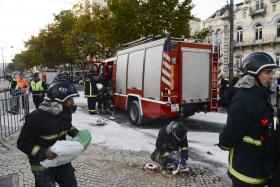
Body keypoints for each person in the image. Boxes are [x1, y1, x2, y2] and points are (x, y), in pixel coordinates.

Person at [219, 52, 278, 187]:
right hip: (245, 172)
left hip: (260, 168)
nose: (271, 76)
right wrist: (223, 143)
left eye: (271, 72)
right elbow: (231, 133)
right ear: (253, 74)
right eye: (267, 72)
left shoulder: (262, 95)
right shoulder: (244, 99)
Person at [17, 80, 80, 187]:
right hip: (42, 165)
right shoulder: (36, 117)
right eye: (70, 99)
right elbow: (23, 143)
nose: (73, 102)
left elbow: (67, 126)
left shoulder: (65, 112)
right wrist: (44, 152)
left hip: (61, 160)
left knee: (71, 184)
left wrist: (75, 133)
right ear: (58, 101)